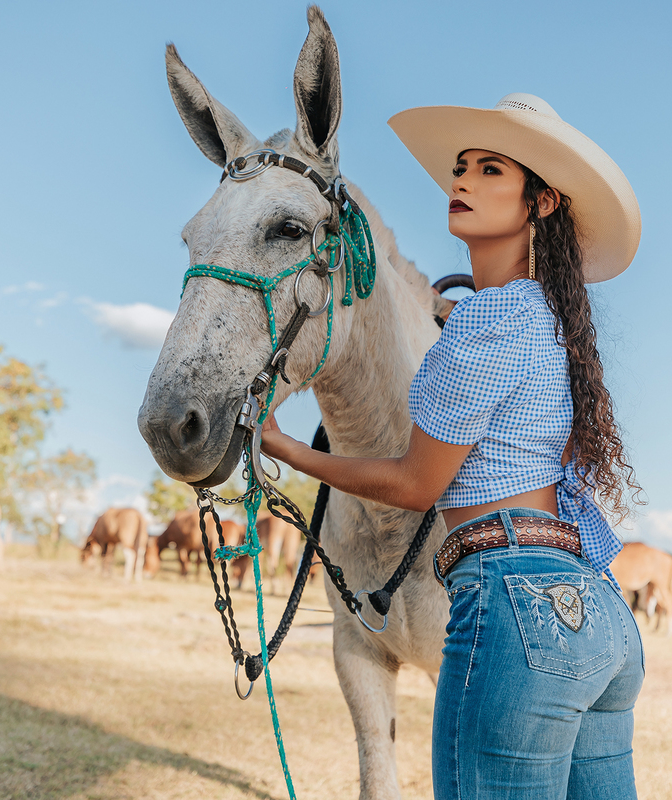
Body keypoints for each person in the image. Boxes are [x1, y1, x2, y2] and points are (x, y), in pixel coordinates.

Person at [261, 93, 645, 800]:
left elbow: (417, 484)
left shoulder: (485, 320)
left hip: (511, 601)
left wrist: (290, 450)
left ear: (543, 203)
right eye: (462, 166)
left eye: (491, 169)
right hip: (599, 611)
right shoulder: (549, 321)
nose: (462, 179)